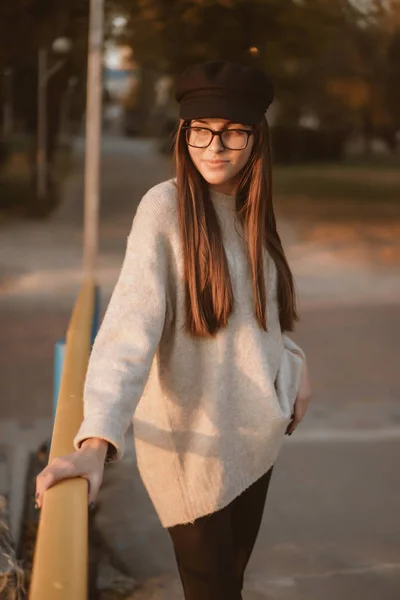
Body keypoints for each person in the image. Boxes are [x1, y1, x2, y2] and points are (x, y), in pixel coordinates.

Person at [36, 60, 312, 599]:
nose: (215, 146)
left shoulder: (252, 208)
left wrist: (295, 364)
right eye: (200, 129)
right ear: (183, 132)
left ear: (257, 139)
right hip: (194, 455)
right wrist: (96, 442)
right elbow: (127, 333)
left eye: (233, 130)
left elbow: (263, 314)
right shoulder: (163, 210)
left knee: (229, 586)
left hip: (256, 440)